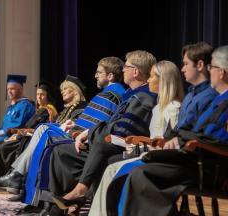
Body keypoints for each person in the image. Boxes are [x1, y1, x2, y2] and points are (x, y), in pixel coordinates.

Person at [90, 42, 218, 216]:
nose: (183, 69)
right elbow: (178, 132)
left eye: (186, 64)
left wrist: (175, 141)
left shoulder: (209, 98)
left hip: (195, 162)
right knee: (115, 165)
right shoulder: (190, 96)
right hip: (178, 154)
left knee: (129, 172)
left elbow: (201, 135)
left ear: (201, 65)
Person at [49, 50, 157, 215]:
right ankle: (66, 204)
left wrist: (91, 134)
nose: (123, 71)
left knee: (96, 144)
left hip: (125, 146)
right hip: (109, 142)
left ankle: (77, 195)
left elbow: (122, 130)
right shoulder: (130, 95)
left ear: (135, 71)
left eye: (126, 67)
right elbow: (112, 124)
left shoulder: (143, 97)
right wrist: (89, 133)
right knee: (61, 152)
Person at [88, 60, 184, 216]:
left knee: (113, 167)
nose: (149, 80)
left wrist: (144, 147)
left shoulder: (174, 108)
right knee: (109, 160)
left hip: (161, 158)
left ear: (163, 81)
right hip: (149, 152)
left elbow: (168, 142)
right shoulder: (158, 108)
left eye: (153, 77)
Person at [0, 75, 89, 197]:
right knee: (29, 140)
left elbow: (79, 130)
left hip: (68, 141)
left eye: (65, 89)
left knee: (38, 133)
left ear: (75, 91)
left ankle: (16, 179)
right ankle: (18, 183)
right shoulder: (65, 110)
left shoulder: (83, 108)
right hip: (56, 137)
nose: (62, 92)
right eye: (62, 89)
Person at [0, 81, 59, 178]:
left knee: (2, 147)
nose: (39, 97)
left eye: (42, 95)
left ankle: (1, 177)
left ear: (48, 96)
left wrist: (18, 133)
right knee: (1, 146)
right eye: (37, 94)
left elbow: (37, 128)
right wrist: (16, 133)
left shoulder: (49, 110)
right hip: (25, 136)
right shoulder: (39, 109)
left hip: (32, 139)